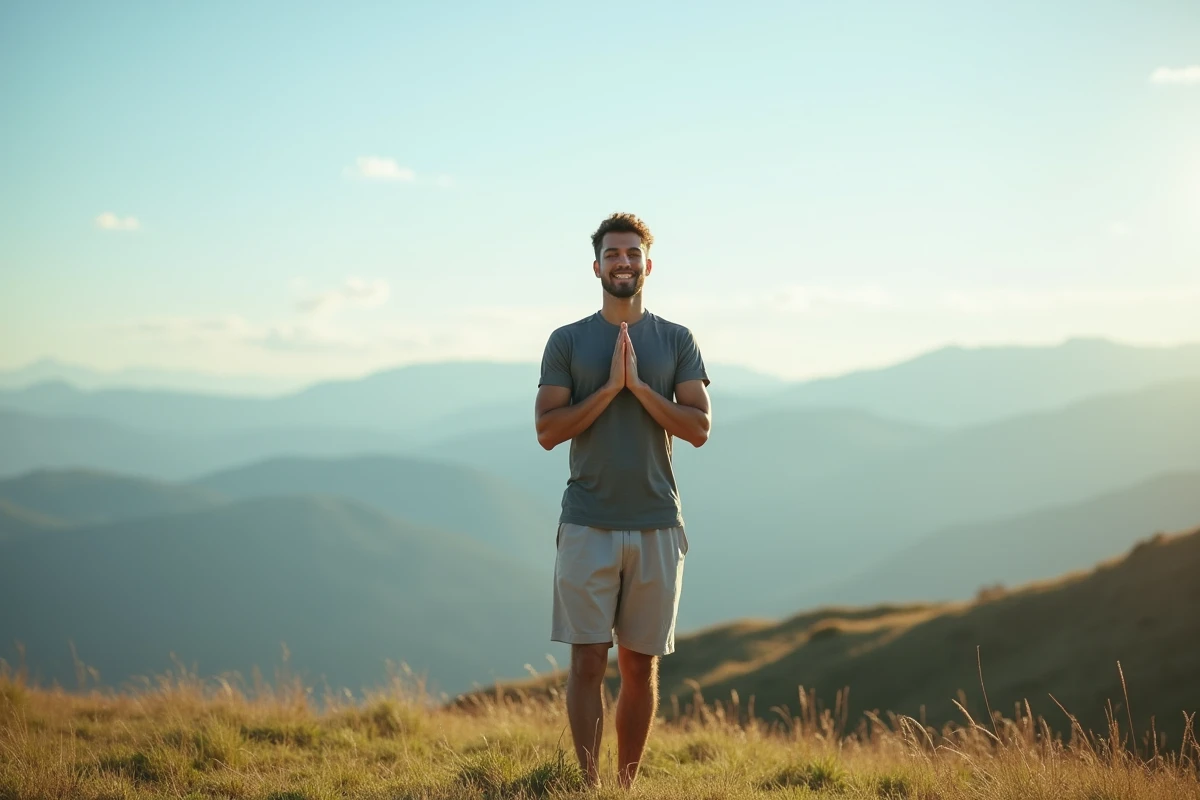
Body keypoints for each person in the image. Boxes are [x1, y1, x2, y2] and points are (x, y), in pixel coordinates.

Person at [534, 212, 711, 789]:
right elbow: (547, 429)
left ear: (648, 265)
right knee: (587, 661)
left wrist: (639, 387)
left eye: (632, 253)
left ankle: (624, 787)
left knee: (640, 666)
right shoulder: (567, 341)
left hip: (657, 523)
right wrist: (610, 388)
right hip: (588, 521)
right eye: (612, 254)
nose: (623, 262)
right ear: (596, 266)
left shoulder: (676, 340)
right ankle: (589, 789)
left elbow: (698, 426)